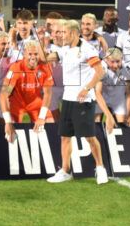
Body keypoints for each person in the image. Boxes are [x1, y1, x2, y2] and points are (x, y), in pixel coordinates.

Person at [45, 20, 108, 185]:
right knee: (65, 136)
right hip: (68, 98)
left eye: (64, 32)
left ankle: (100, 168)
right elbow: (45, 59)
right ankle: (65, 171)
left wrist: (87, 88)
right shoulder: (64, 49)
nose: (61, 35)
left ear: (73, 33)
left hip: (83, 99)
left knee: (89, 136)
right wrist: (42, 42)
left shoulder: (87, 49)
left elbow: (100, 72)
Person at [0, 40, 54, 141]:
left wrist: (42, 117)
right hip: (17, 103)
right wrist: (8, 121)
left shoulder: (45, 68)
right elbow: (4, 94)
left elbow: (48, 93)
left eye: (36, 54)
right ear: (24, 54)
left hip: (35, 102)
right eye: (30, 54)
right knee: (10, 136)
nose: (33, 57)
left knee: (50, 123)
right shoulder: (16, 68)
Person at [94, 48, 130, 128]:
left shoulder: (128, 69)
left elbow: (129, 94)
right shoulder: (101, 68)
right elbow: (98, 93)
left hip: (118, 97)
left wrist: (129, 115)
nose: (115, 65)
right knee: (96, 122)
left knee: (122, 125)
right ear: (106, 60)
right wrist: (109, 116)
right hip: (103, 96)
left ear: (122, 59)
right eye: (112, 62)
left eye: (118, 61)